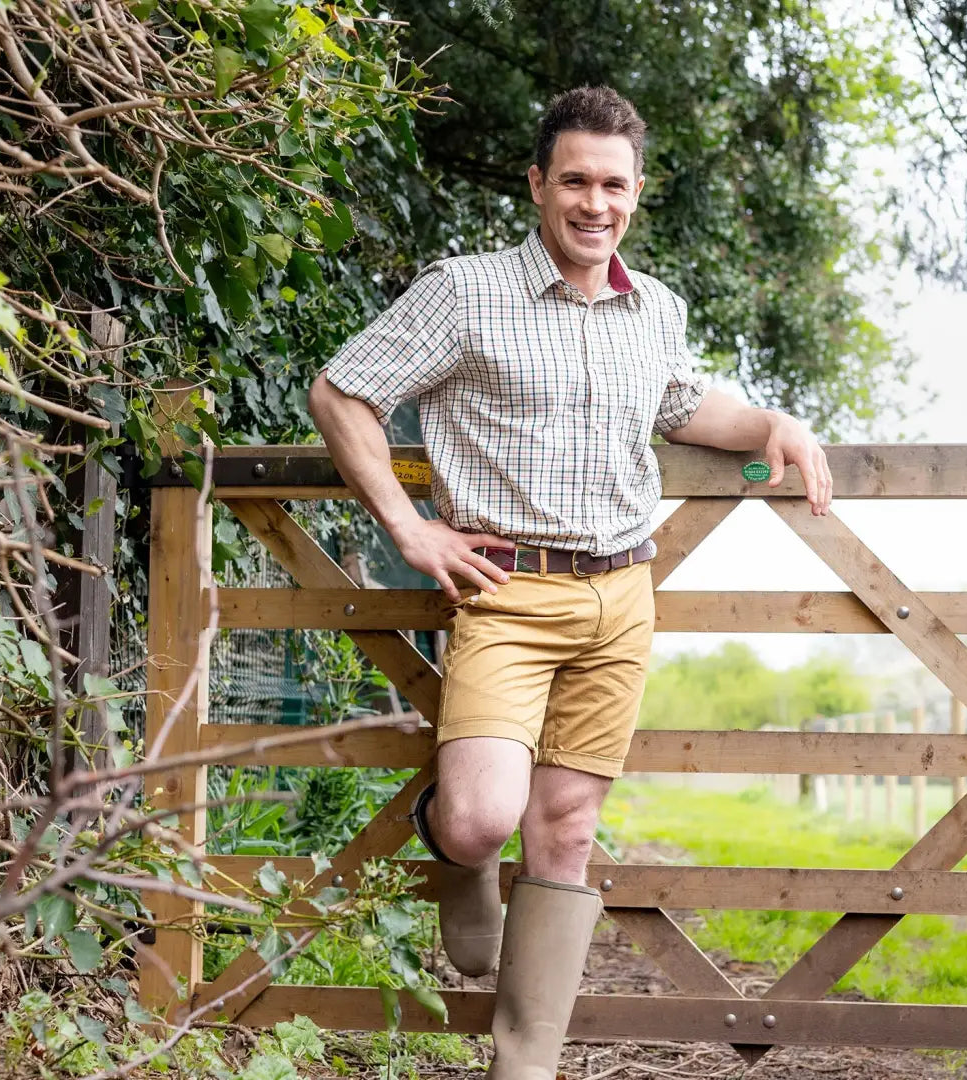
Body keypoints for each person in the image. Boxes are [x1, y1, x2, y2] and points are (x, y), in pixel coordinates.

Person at [309, 85, 832, 1078]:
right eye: (578, 181)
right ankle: (450, 847)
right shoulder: (466, 291)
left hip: (622, 593)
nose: (597, 204)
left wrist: (773, 425)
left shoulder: (655, 306)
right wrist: (408, 527)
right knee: (479, 819)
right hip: (504, 591)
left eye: (616, 185)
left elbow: (680, 405)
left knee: (567, 827)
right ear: (539, 182)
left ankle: (524, 1068)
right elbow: (340, 389)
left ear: (636, 191)